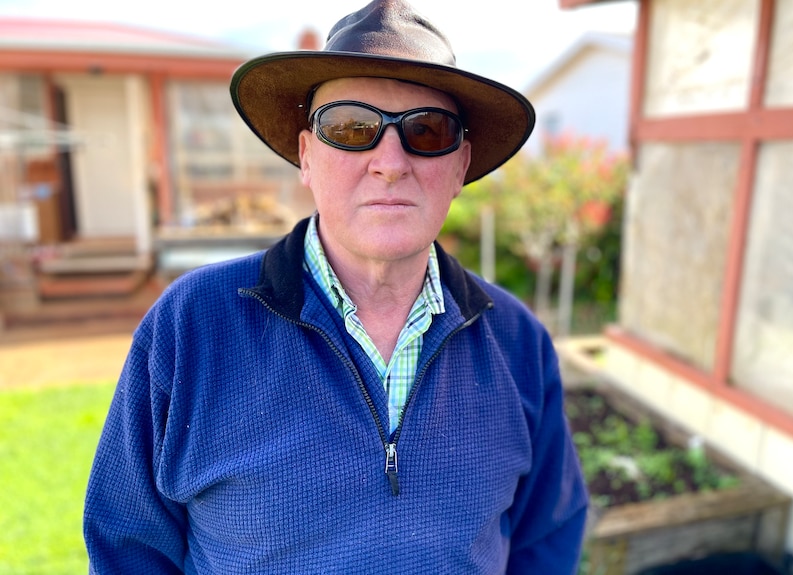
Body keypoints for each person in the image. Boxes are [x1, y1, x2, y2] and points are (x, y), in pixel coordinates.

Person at [83, 1, 589, 572]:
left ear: (460, 165)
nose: (390, 161)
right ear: (306, 154)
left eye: (428, 131)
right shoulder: (190, 326)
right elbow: (128, 545)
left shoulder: (518, 342)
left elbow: (546, 539)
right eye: (351, 127)